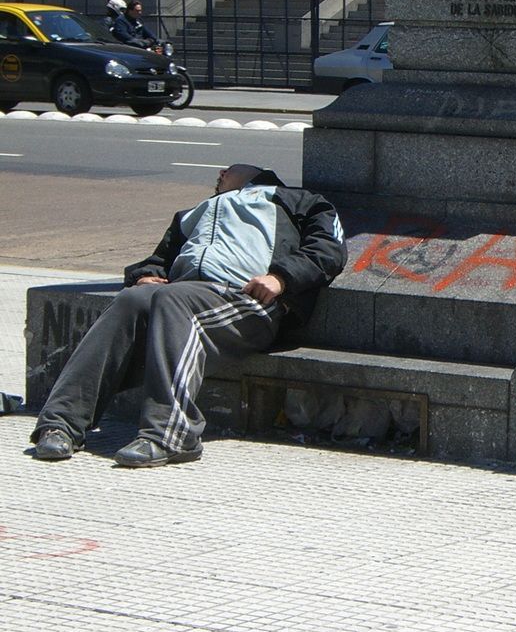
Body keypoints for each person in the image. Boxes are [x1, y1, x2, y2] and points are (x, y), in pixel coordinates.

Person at [29, 165, 347, 468]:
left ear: (258, 170)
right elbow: (160, 258)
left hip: (247, 299)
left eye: (229, 168)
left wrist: (281, 278)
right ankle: (61, 423)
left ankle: (173, 434)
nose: (220, 174)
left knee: (173, 298)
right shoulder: (196, 212)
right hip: (184, 295)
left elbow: (329, 248)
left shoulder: (297, 200)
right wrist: (145, 275)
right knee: (131, 300)